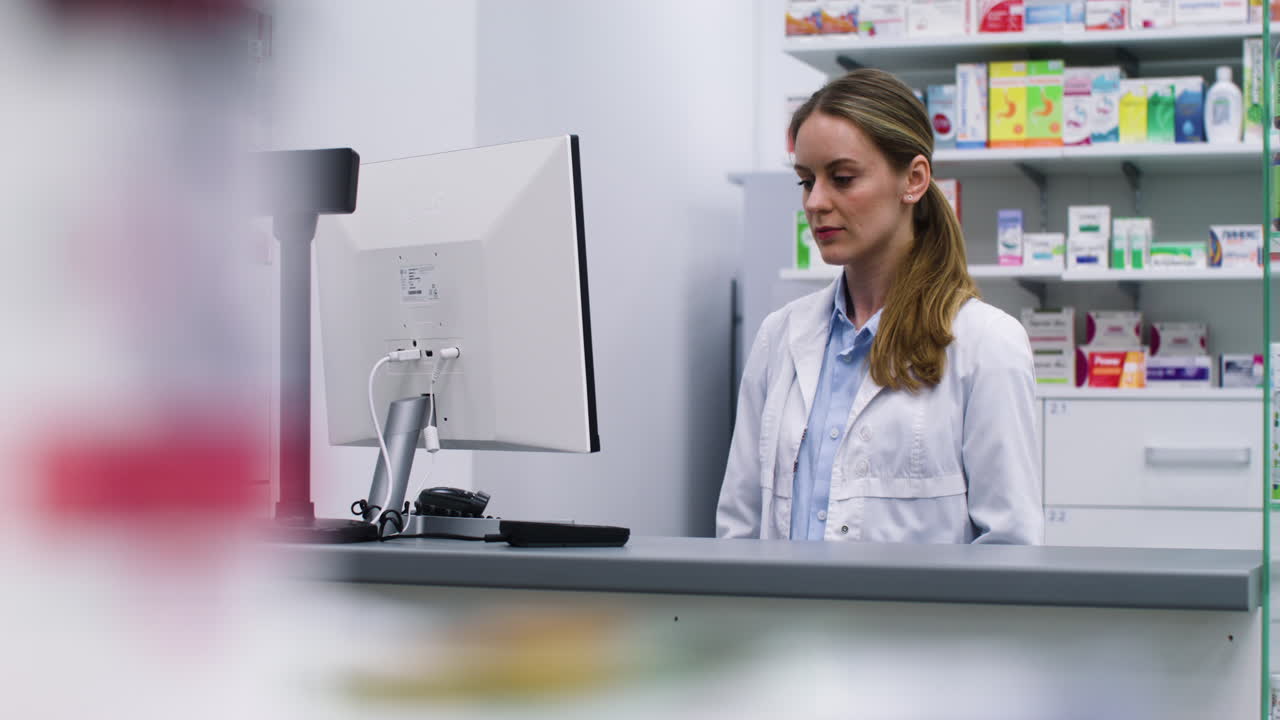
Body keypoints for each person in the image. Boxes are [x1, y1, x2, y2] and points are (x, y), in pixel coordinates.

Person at [717, 69, 1042, 544]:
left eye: (842, 178)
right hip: (783, 598)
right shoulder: (780, 335)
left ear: (913, 179)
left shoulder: (987, 343)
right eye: (806, 181)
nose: (816, 202)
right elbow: (740, 527)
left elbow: (1010, 545)